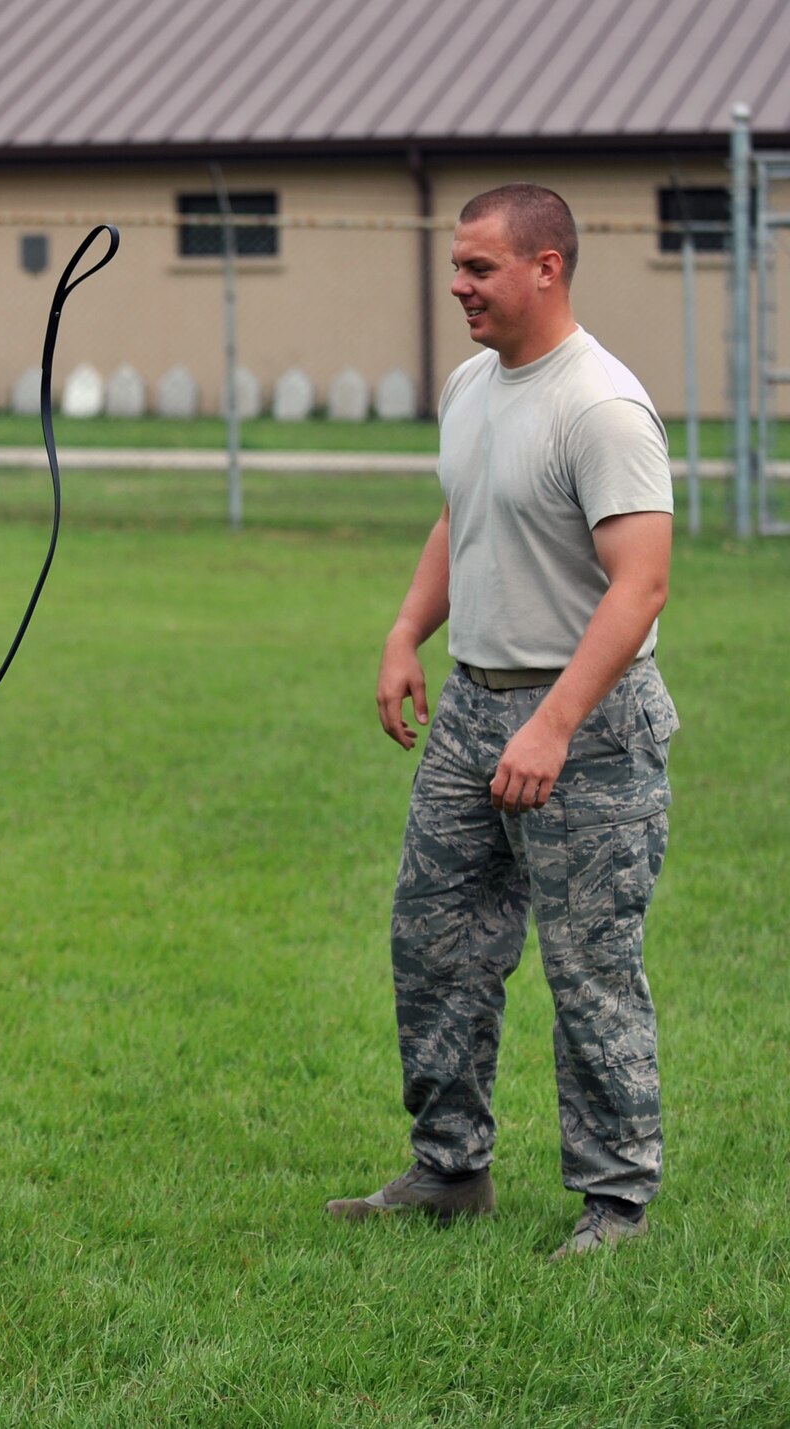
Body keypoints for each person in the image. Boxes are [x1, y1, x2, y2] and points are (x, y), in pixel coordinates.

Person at [327, 185, 679, 1260]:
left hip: (586, 724)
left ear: (546, 268)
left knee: (589, 965)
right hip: (473, 708)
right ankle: (448, 1169)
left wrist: (553, 725)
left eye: (479, 268)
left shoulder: (600, 407)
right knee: (431, 943)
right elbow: (460, 513)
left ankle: (613, 1200)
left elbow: (640, 584)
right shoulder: (472, 384)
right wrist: (405, 630)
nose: (458, 285)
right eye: (456, 263)